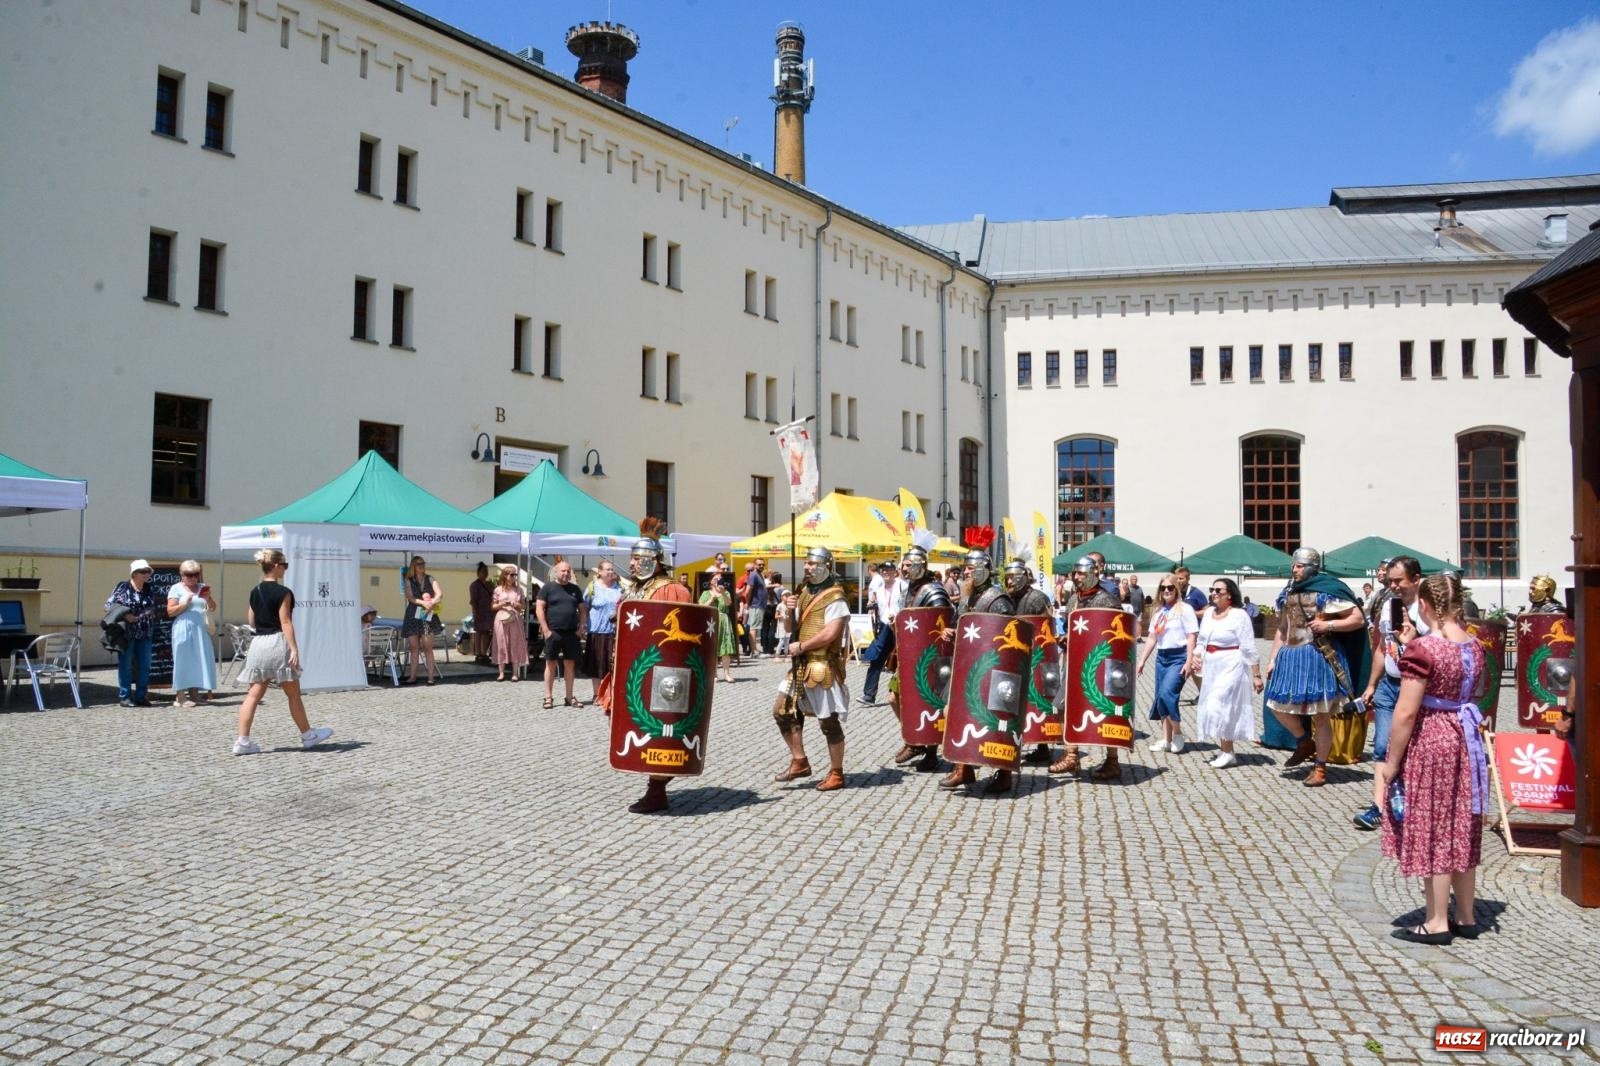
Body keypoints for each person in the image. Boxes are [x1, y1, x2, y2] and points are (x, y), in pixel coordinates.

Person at [1376, 572, 1489, 944]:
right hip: (1465, 735)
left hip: (1434, 738)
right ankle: (1467, 915)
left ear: (1424, 604)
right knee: (1462, 822)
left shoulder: (1426, 649)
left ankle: (1437, 919)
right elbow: (1480, 690)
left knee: (1434, 824)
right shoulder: (1474, 645)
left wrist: (1391, 763)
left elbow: (1406, 713)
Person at [1263, 547, 1369, 788]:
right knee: (1277, 706)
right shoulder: (1289, 590)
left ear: (1311, 566)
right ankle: (1304, 741)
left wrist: (1328, 626)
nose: (1294, 569)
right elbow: (1282, 628)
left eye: (1299, 566)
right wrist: (1272, 658)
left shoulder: (1328, 590)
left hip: (1317, 656)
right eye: (1294, 565)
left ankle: (1320, 767)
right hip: (1290, 656)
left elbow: (1357, 619)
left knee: (1321, 715)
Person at [619, 519, 694, 814]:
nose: (633, 563)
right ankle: (655, 784)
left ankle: (657, 788)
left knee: (661, 728)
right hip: (636, 670)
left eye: (638, 559)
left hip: (663, 675)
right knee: (638, 726)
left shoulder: (671, 591)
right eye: (633, 558)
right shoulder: (638, 588)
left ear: (654, 560)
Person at [232, 549, 334, 755]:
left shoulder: (255, 591)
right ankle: (308, 735)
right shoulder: (283, 592)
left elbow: (251, 620)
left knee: (253, 695)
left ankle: (242, 741)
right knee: (293, 694)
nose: (285, 569)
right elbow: (285, 621)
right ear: (277, 566)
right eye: (284, 565)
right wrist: (294, 648)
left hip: (258, 644)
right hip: (277, 642)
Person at [1353, 557, 1429, 830]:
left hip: (1417, 687)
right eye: (1390, 580)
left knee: (1413, 746)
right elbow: (1382, 648)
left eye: (1399, 580)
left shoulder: (1427, 608)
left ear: (1416, 579)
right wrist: (1372, 684)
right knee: (1383, 745)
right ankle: (1379, 806)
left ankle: (1411, 803)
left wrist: (1415, 635)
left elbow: (1436, 650)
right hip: (1389, 684)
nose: (1393, 585)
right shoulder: (1388, 605)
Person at [771, 546, 852, 793]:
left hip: (821, 665)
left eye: (812, 563)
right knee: (782, 711)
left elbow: (831, 633)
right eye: (806, 563)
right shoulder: (804, 591)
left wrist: (802, 645)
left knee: (828, 722)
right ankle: (800, 761)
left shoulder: (836, 596)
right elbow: (791, 627)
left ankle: (836, 773)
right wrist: (788, 610)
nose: (807, 567)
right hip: (801, 664)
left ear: (826, 566)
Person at [941, 539, 1017, 794]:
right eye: (966, 570)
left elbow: (1006, 635)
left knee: (997, 717)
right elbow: (959, 624)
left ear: (984, 570)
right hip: (967, 666)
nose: (967, 573)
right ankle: (964, 768)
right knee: (953, 713)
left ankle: (1003, 772)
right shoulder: (966, 598)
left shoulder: (999, 600)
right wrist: (951, 632)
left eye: (972, 570)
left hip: (994, 669)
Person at [1051, 555, 1123, 779]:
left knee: (1105, 710)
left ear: (1094, 574)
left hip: (1100, 665)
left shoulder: (1107, 600)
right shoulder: (1073, 599)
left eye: (1082, 574)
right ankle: (1071, 756)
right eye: (1076, 574)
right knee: (1062, 706)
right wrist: (1064, 638)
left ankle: (1113, 761)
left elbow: (1117, 636)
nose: (1077, 577)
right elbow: (1075, 630)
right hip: (1074, 663)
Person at [890, 536, 953, 772]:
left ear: (921, 566)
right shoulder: (910, 589)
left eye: (908, 565)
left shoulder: (934, 590)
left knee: (931, 701)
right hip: (911, 655)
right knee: (894, 697)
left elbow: (941, 621)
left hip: (932, 655)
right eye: (903, 564)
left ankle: (931, 751)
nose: (903, 568)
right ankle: (914, 739)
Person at [1190, 578, 1261, 767]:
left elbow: (1248, 646)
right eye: (1212, 589)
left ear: (1229, 594)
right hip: (1212, 665)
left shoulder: (1239, 615)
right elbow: (1202, 640)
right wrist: (1197, 656)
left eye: (1218, 590)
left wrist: (1256, 674)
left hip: (1232, 664)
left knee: (1220, 704)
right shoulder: (1208, 613)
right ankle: (1225, 749)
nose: (1213, 593)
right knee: (1214, 706)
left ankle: (1227, 751)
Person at [1001, 556, 1055, 767]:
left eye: (1013, 577)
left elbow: (1045, 628)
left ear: (1024, 577)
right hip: (1016, 656)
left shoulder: (1037, 599)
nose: (1010, 582)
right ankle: (1014, 740)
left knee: (1037, 698)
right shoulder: (1008, 598)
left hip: (1036, 655)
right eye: (1007, 578)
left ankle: (1042, 746)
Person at [1135, 576, 1198, 754]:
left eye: (1170, 587)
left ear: (1177, 589)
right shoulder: (1158, 611)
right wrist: (1142, 660)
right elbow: (1153, 638)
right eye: (1163, 588)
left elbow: (1192, 635)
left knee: (1167, 694)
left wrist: (1189, 660)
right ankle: (1166, 739)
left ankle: (1177, 733)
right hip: (1162, 657)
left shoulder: (1185, 609)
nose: (1167, 591)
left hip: (1179, 656)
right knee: (1159, 697)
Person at [105, 559, 159, 707]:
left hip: (145, 632)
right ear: (134, 574)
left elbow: (153, 607)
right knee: (126, 664)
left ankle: (141, 696)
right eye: (143, 572)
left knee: (144, 665)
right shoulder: (123, 587)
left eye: (148, 572)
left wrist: (144, 615)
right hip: (126, 633)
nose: (146, 575)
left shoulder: (149, 588)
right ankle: (125, 696)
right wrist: (125, 614)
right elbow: (108, 605)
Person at [536, 560, 587, 708]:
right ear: (556, 572)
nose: (566, 573)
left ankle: (569, 697)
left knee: (569, 664)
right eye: (563, 571)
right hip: (553, 632)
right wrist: (545, 630)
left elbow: (583, 610)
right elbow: (539, 609)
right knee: (550, 664)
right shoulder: (547, 588)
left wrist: (581, 628)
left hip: (571, 633)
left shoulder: (575, 589)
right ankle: (548, 697)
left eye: (568, 571)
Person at [166, 559, 217, 707]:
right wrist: (183, 604)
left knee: (199, 659)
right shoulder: (176, 588)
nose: (193, 578)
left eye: (196, 574)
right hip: (183, 627)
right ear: (182, 574)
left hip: (200, 628)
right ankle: (180, 696)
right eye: (189, 575)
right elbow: (170, 612)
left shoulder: (202, 587)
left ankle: (194, 694)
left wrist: (208, 599)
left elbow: (212, 607)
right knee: (182, 659)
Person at [859, 561, 904, 706]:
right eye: (883, 571)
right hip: (885, 626)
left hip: (900, 626)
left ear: (894, 572)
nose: (886, 573)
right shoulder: (879, 590)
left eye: (889, 570)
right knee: (877, 658)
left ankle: (905, 693)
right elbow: (874, 603)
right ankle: (869, 695)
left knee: (903, 660)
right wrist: (871, 603)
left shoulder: (902, 586)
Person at [583, 560, 622, 702]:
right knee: (596, 664)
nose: (611, 572)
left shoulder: (619, 588)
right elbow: (585, 608)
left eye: (612, 569)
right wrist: (582, 626)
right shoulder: (592, 587)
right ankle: (596, 694)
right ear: (599, 572)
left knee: (611, 664)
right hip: (596, 631)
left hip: (614, 632)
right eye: (607, 569)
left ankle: (609, 694)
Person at [401, 556, 443, 685]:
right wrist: (423, 602)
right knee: (414, 648)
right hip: (413, 614)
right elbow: (410, 597)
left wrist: (431, 603)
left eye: (423, 563)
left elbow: (440, 594)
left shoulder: (430, 578)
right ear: (413, 566)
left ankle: (431, 677)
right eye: (419, 564)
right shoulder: (409, 580)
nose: (421, 565)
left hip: (427, 614)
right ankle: (412, 677)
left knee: (428, 648)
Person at [491, 564, 528, 682]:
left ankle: (515, 673)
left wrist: (515, 604)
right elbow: (493, 606)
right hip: (501, 618)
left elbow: (523, 606)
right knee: (501, 643)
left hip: (514, 618)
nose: (514, 577)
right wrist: (502, 604)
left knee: (515, 644)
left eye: (515, 575)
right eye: (512, 575)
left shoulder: (519, 590)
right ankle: (501, 673)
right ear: (505, 576)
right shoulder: (498, 590)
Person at [700, 572, 738, 684]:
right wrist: (711, 599)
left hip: (724, 620)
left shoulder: (725, 592)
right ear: (711, 581)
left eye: (720, 579)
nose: (718, 581)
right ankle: (714, 673)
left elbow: (728, 604)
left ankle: (727, 674)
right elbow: (701, 606)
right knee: (712, 648)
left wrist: (723, 593)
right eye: (715, 579)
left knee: (725, 647)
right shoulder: (706, 593)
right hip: (711, 622)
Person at [469, 561, 496, 666]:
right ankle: (479, 653)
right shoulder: (474, 585)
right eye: (483, 571)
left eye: (486, 571)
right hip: (480, 611)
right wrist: (475, 613)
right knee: (479, 632)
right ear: (478, 572)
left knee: (486, 632)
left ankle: (484, 653)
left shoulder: (490, 584)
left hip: (489, 612)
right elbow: (473, 601)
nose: (485, 573)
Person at [742, 560, 769, 659]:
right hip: (755, 605)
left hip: (758, 605)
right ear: (754, 565)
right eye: (759, 564)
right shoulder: (754, 575)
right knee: (753, 628)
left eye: (763, 564)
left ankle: (754, 650)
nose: (761, 566)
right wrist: (748, 603)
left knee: (754, 628)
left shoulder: (759, 575)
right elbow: (748, 590)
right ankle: (754, 651)